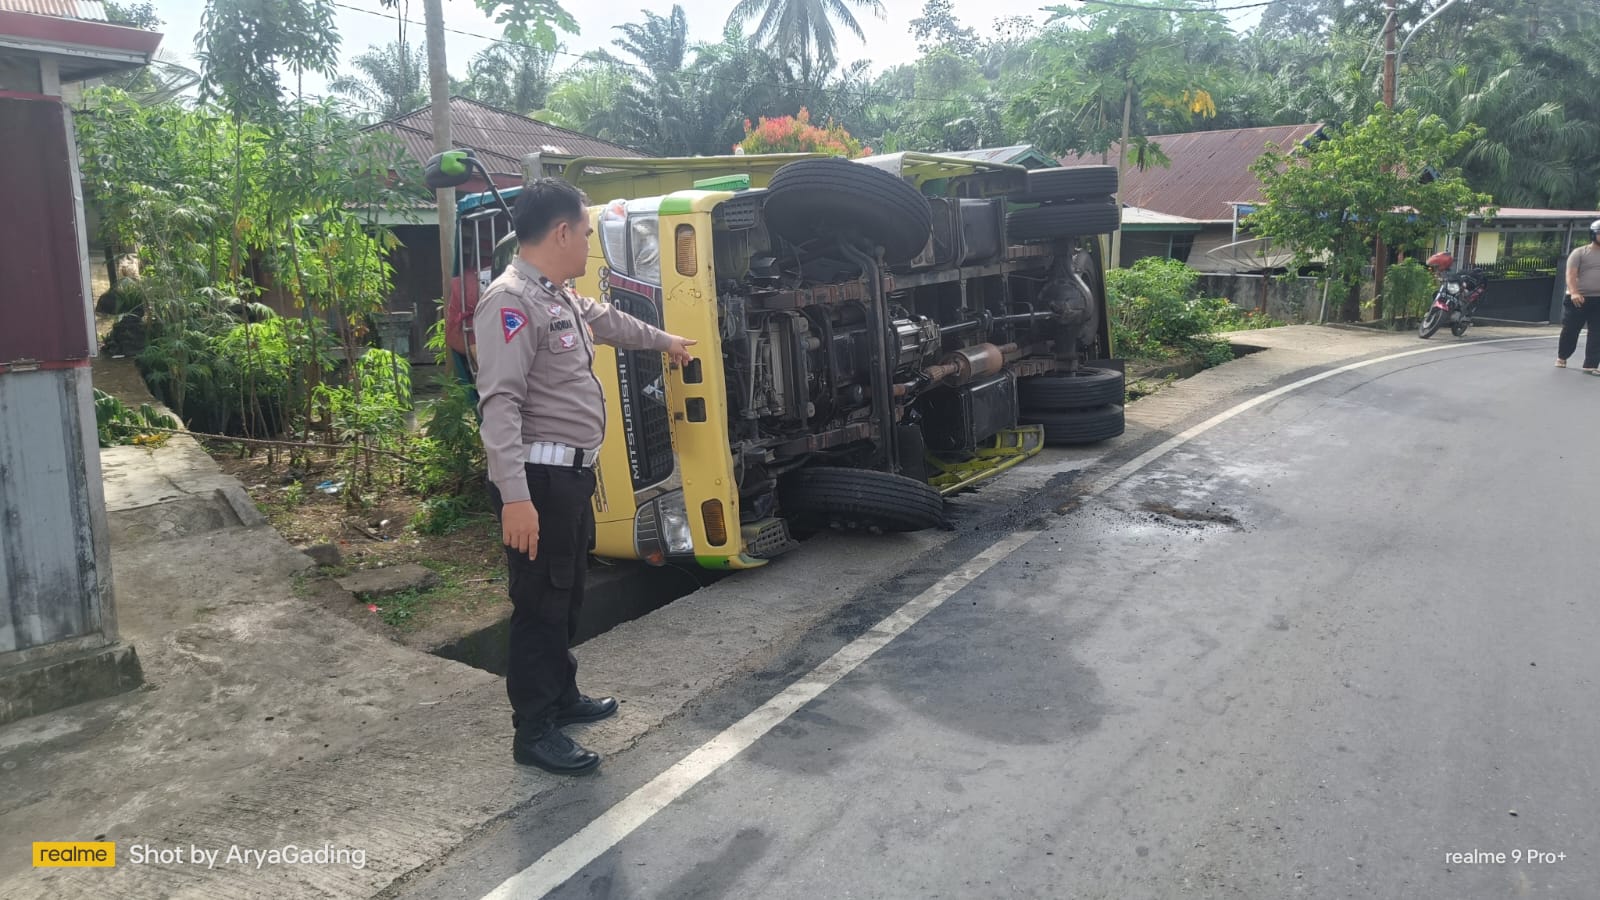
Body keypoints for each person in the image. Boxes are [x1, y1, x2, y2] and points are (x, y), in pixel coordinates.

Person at [474, 179, 696, 774]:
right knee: (540, 604)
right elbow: (499, 405)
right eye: (588, 233)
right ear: (563, 232)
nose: (590, 244)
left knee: (566, 595)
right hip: (538, 485)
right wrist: (514, 499)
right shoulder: (510, 301)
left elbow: (612, 320)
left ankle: (562, 696)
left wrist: (667, 340)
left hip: (568, 480)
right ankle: (535, 729)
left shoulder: (557, 295)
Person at [1557, 219, 1600, 373]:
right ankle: (1562, 357)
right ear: (1593, 234)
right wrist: (1574, 292)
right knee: (1571, 329)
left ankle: (1591, 364)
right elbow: (1570, 274)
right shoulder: (1580, 252)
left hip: (1599, 299)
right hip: (1578, 298)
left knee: (1597, 332)